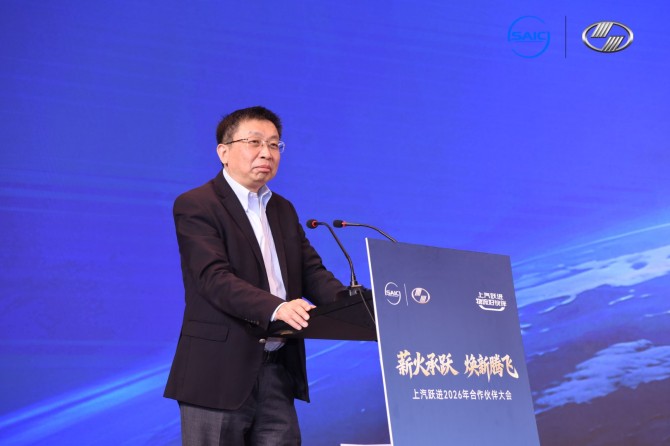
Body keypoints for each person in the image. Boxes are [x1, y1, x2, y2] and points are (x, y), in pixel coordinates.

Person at [164, 106, 346, 446]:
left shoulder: (282, 209)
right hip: (217, 373)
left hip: (278, 369)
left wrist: (357, 305)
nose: (267, 152)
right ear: (223, 152)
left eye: (275, 144)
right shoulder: (196, 204)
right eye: (255, 142)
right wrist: (276, 308)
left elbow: (312, 273)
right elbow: (213, 278)